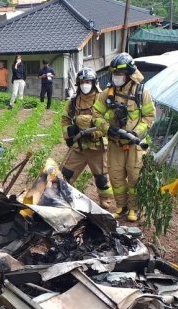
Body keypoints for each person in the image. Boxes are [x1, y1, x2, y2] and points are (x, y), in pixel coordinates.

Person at [93, 52, 155, 222]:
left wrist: (136, 133)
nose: (116, 77)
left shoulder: (142, 92)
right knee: (116, 176)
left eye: (119, 74)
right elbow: (95, 113)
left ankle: (134, 208)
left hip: (135, 145)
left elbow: (149, 117)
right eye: (114, 74)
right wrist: (107, 129)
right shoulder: (108, 92)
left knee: (134, 177)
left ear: (128, 74)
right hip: (115, 143)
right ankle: (121, 207)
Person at [60, 67, 113, 208]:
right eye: (83, 81)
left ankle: (105, 201)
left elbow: (109, 122)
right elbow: (65, 119)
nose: (85, 84)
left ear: (94, 82)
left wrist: (94, 133)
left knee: (102, 178)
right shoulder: (73, 101)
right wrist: (68, 135)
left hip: (97, 147)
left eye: (88, 81)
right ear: (78, 83)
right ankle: (60, 197)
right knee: (65, 175)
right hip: (79, 147)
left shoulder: (103, 99)